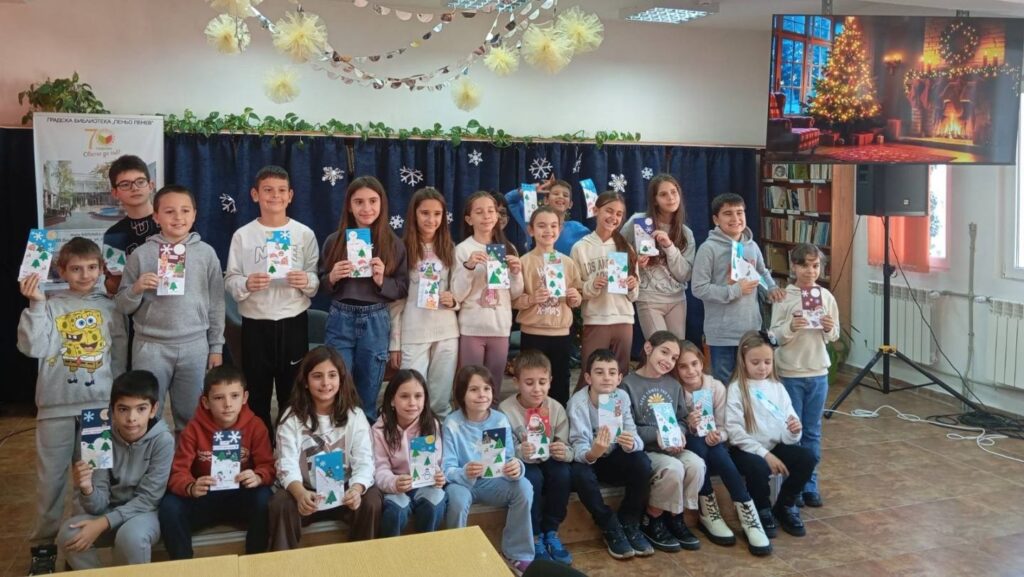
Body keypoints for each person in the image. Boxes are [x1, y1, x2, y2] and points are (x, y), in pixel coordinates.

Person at [17, 237, 127, 575]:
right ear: (62, 271)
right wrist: (35, 304)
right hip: (56, 408)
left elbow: (119, 358)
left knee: (91, 480)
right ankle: (43, 547)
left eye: (91, 267)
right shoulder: (49, 305)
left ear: (101, 269)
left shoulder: (111, 307)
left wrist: (115, 402)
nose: (85, 275)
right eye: (76, 269)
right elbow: (33, 348)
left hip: (99, 410)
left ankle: (78, 541)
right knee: (50, 482)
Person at [115, 185, 225, 432]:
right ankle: (150, 457)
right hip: (150, 346)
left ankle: (187, 458)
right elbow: (122, 304)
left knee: (192, 416)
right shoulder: (141, 255)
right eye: (169, 211)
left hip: (194, 345)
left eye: (185, 210)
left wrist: (216, 346)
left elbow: (217, 303)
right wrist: (136, 288)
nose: (178, 217)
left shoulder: (207, 254)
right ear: (156, 216)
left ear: (194, 215)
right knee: (146, 414)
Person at [224, 165, 319, 436]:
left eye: (281, 190)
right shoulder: (243, 235)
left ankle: (290, 446)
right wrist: (246, 284)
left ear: (290, 196)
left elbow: (315, 280)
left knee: (294, 391)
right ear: (255, 195)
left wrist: (305, 280)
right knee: (257, 392)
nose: (275, 196)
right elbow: (230, 279)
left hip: (293, 322)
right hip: (256, 323)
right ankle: (261, 447)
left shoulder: (304, 234)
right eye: (267, 190)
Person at [56, 370, 174, 570]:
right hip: (108, 511)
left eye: (141, 409)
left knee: (131, 537)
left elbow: (148, 499)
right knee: (69, 532)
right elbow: (97, 507)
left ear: (153, 409)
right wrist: (87, 489)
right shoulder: (99, 437)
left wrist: (103, 522)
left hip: (145, 514)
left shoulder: (163, 441)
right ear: (112, 410)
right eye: (123, 409)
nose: (131, 418)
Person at [268, 346, 382, 549]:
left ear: (341, 379)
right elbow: (286, 464)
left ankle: (362, 559)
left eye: (332, 375)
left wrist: (356, 489)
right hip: (306, 493)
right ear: (305, 381)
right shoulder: (291, 418)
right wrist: (300, 494)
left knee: (372, 500)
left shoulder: (355, 416)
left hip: (345, 492)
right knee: (280, 503)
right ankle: (283, 561)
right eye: (317, 376)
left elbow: (365, 461)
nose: (326, 383)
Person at [159, 365, 275, 559]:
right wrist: (191, 487)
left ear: (245, 398)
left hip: (241, 496)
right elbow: (178, 472)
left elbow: (269, 466)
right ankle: (183, 564)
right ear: (205, 402)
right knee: (170, 506)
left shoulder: (256, 426)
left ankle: (254, 560)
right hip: (204, 497)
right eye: (219, 398)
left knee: (265, 498)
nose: (228, 404)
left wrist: (258, 476)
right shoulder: (193, 429)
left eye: (234, 396)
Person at [320, 176, 409, 421]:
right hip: (340, 317)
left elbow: (402, 288)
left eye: (372, 201)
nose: (366, 208)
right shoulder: (334, 241)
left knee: (369, 388)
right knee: (337, 383)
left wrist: (382, 280)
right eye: (358, 202)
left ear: (382, 204)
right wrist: (332, 277)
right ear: (349, 206)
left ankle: (366, 437)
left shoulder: (394, 244)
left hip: (376, 319)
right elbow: (321, 284)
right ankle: (338, 434)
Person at [675, 340, 770, 556]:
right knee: (700, 447)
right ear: (676, 369)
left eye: (694, 364)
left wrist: (719, 435)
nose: (690, 371)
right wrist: (689, 423)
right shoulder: (675, 390)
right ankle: (710, 510)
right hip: (690, 444)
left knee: (716, 449)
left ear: (702, 363)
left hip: (714, 445)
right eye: (683, 366)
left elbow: (725, 426)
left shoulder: (715, 387)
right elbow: (674, 427)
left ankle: (746, 511)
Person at [725, 331, 818, 538]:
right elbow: (734, 432)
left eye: (767, 362)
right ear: (743, 361)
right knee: (757, 467)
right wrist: (764, 454)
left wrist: (794, 430)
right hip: (745, 450)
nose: (762, 367)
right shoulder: (736, 389)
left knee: (807, 457)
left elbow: (788, 428)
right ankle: (762, 509)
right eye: (755, 362)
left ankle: (784, 505)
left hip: (774, 446)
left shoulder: (777, 388)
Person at [442, 365, 534, 576]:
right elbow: (447, 468)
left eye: (486, 388)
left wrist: (516, 467)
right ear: (461, 394)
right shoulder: (452, 423)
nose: (481, 394)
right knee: (457, 501)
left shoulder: (499, 419)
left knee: (524, 487)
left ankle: (517, 553)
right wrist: (464, 472)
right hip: (461, 484)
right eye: (473, 389)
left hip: (493, 482)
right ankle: (456, 555)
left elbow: (509, 457)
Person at [769, 243, 840, 509]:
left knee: (812, 431)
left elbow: (833, 336)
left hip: (818, 372)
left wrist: (828, 328)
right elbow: (774, 336)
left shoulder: (826, 297)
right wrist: (791, 326)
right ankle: (793, 485)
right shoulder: (784, 296)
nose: (810, 271)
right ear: (794, 267)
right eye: (804, 265)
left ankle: (810, 483)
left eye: (815, 265)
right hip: (790, 373)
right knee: (792, 431)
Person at [620, 331, 704, 552]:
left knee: (696, 465)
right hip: (646, 450)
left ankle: (675, 517)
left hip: (673, 447)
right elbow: (626, 427)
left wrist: (681, 432)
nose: (668, 360)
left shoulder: (673, 385)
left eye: (674, 358)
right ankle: (653, 518)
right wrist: (655, 435)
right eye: (664, 352)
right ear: (648, 348)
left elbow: (682, 419)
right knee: (673, 468)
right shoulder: (627, 385)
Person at [567, 349, 653, 560]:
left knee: (642, 462)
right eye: (599, 372)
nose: (606, 377)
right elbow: (577, 447)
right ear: (588, 378)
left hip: (614, 457)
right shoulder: (577, 404)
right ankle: (608, 524)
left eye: (612, 372)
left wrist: (631, 444)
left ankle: (629, 520)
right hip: (588, 460)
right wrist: (593, 452)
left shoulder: (621, 397)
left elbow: (635, 436)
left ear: (619, 378)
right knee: (579, 474)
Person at [691, 193, 784, 383]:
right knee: (726, 384)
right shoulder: (708, 249)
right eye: (728, 213)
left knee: (751, 383)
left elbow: (762, 272)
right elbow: (698, 288)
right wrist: (735, 291)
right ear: (716, 219)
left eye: (739, 212)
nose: (735, 218)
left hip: (751, 331)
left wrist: (772, 288)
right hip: (722, 334)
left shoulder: (752, 246)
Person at [389, 187, 460, 418]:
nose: (431, 220)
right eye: (425, 213)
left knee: (440, 399)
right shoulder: (401, 248)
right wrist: (395, 343)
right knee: (412, 395)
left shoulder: (450, 248)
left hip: (447, 332)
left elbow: (460, 290)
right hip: (414, 332)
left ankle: (438, 437)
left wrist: (453, 300)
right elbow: (396, 301)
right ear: (414, 214)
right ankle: (411, 437)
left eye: (437, 214)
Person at [499, 350, 574, 565]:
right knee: (532, 479)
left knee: (562, 474)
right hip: (522, 462)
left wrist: (563, 451)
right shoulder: (506, 410)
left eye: (542, 382)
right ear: (516, 382)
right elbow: (505, 451)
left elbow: (567, 446)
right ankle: (534, 535)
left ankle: (551, 530)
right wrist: (520, 451)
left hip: (548, 457)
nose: (537, 389)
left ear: (550, 381)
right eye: (529, 382)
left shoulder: (555, 408)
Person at [453, 191, 524, 391]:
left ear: (497, 215)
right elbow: (457, 295)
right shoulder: (463, 249)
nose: (486, 216)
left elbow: (514, 294)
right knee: (470, 385)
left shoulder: (508, 248)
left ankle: (492, 413)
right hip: (471, 328)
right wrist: (468, 267)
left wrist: (516, 273)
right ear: (469, 219)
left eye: (491, 211)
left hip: (500, 327)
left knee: (494, 385)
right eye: (479, 212)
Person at [512, 206, 583, 406]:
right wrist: (531, 299)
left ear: (560, 229)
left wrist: (574, 297)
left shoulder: (567, 262)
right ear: (531, 230)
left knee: (560, 380)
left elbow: (577, 296)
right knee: (532, 382)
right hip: (533, 332)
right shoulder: (523, 262)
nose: (548, 230)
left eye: (553, 226)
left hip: (561, 333)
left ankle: (559, 421)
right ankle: (532, 420)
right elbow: (513, 300)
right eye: (541, 226)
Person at [571, 191, 639, 389]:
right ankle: (583, 408)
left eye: (619, 214)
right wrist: (591, 286)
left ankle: (616, 410)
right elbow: (576, 290)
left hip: (623, 318)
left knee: (620, 374)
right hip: (596, 319)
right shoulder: (581, 247)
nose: (613, 217)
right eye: (609, 211)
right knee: (591, 374)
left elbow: (635, 294)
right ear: (596, 210)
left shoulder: (625, 247)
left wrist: (632, 285)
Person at [371, 369, 447, 537]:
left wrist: (437, 476)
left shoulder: (431, 425)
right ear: (392, 400)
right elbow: (380, 468)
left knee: (435, 502)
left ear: (425, 399)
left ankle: (427, 547)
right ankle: (391, 551)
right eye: (404, 396)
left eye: (418, 396)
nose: (412, 403)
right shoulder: (379, 430)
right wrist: (394, 482)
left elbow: (436, 462)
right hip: (394, 486)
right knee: (396, 510)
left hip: (423, 484)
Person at [621, 174, 695, 340]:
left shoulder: (686, 233)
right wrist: (635, 263)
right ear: (654, 200)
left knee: (676, 349)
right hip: (649, 298)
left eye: (674, 192)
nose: (671, 198)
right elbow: (617, 254)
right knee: (660, 347)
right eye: (663, 194)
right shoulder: (638, 222)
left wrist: (669, 247)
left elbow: (685, 275)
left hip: (677, 299)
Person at [102, 155, 158, 296]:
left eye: (140, 181)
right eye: (125, 184)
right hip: (135, 306)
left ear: (151, 185)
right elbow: (114, 289)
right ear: (115, 192)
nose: (134, 188)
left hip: (175, 305)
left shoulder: (174, 223)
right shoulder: (113, 235)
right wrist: (110, 276)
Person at [505, 179, 590, 255]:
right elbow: (509, 200)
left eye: (565, 195)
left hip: (568, 267)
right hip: (535, 266)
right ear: (546, 200)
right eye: (556, 194)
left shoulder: (578, 229)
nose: (560, 196)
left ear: (570, 204)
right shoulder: (533, 220)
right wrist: (529, 189)